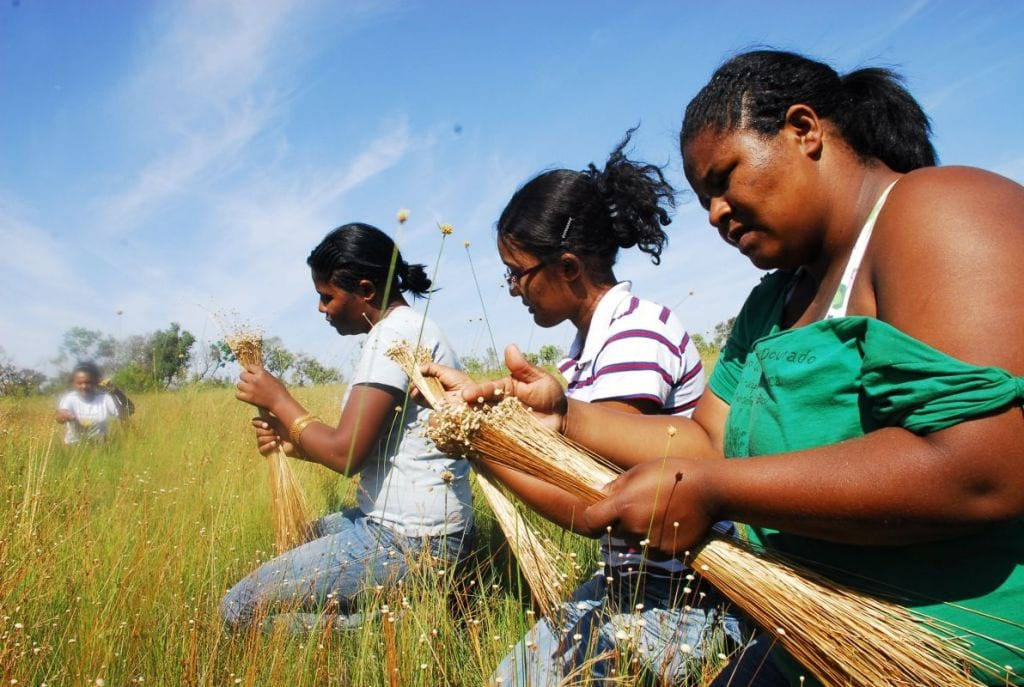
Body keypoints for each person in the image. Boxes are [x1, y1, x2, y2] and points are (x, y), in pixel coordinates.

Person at [428, 50, 1024, 685]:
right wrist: (565, 414)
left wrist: (716, 491)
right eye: (703, 196)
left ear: (803, 130)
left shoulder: (940, 208)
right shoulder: (773, 302)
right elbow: (706, 441)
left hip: (957, 646)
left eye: (724, 179)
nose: (714, 214)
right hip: (811, 634)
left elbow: (982, 468)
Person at [483, 129, 747, 686]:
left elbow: (592, 504)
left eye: (518, 272)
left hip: (681, 598)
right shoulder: (584, 355)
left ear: (570, 268)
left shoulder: (634, 335)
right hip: (631, 587)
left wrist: (480, 446)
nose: (514, 290)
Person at [223, 222, 475, 633]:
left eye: (327, 297)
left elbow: (347, 454)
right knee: (297, 536)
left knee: (238, 607)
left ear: (366, 290)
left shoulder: (392, 336)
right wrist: (293, 443)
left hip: (412, 539)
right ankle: (410, 610)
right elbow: (371, 448)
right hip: (413, 526)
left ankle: (395, 627)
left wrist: (279, 400)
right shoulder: (407, 329)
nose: (321, 308)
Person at [55, 362, 121, 444]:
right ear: (74, 383)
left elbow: (124, 414)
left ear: (95, 382)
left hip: (101, 445)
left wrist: (116, 391)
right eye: (79, 383)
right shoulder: (69, 398)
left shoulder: (104, 398)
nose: (84, 386)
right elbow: (59, 418)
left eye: (88, 382)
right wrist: (67, 416)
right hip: (74, 446)